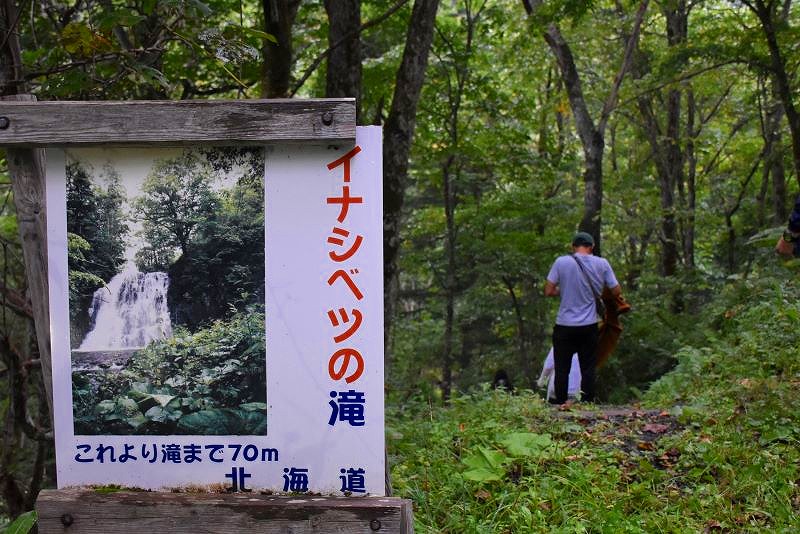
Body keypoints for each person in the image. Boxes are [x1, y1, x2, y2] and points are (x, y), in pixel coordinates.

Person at [544, 231, 621, 405]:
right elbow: (616, 291)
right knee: (587, 366)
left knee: (562, 366)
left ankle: (560, 404)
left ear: (573, 247)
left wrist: (565, 290)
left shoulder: (561, 262)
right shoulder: (602, 263)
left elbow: (548, 290)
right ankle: (587, 402)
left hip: (564, 325)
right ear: (592, 247)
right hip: (589, 325)